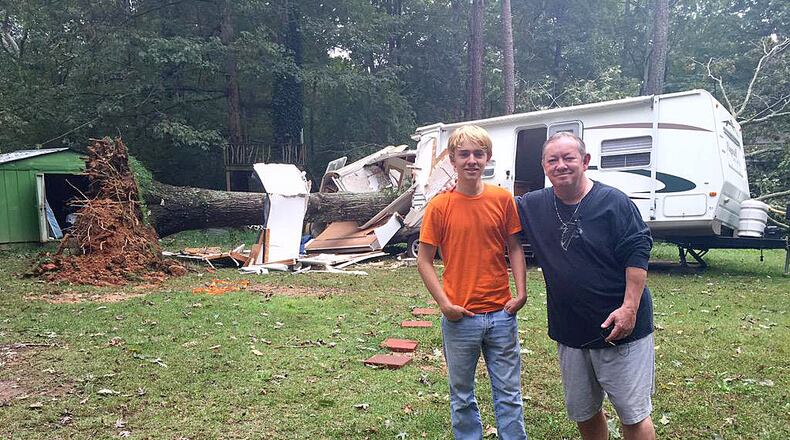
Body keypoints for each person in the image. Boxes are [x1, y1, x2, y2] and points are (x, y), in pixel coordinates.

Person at [516, 132, 655, 440]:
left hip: (619, 327)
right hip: (570, 330)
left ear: (585, 161)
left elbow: (638, 250)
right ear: (544, 166)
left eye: (569, 158)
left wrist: (629, 308)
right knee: (585, 412)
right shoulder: (534, 205)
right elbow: (491, 208)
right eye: (553, 160)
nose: (561, 165)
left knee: (633, 415)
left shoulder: (612, 201)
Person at [417, 124, 529, 439]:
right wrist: (444, 304)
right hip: (460, 317)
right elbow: (424, 260)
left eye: (478, 154)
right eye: (463, 154)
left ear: (488, 158)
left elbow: (515, 247)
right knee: (462, 395)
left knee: (509, 394)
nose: (471, 160)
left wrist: (521, 293)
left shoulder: (502, 199)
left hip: (501, 315)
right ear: (452, 159)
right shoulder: (439, 206)